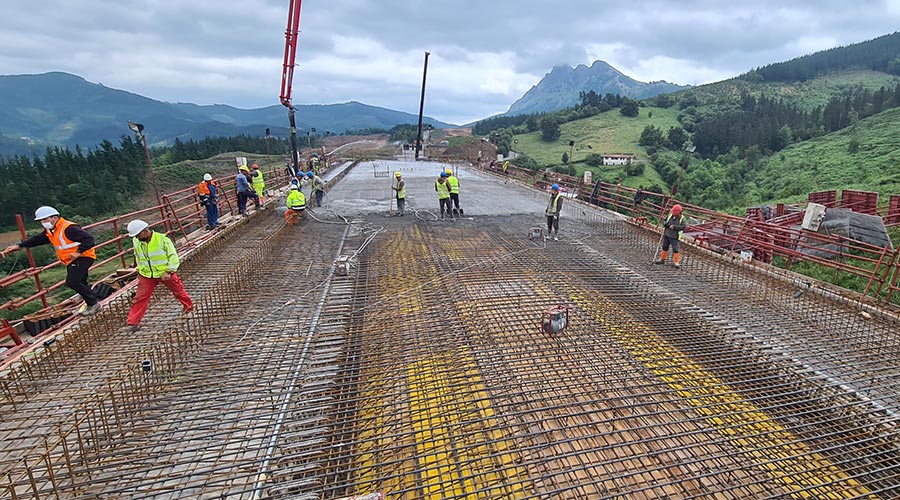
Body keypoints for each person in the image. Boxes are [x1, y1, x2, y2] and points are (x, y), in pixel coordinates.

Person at [2, 206, 101, 316]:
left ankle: (93, 304)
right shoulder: (51, 230)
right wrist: (19, 246)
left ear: (55, 217)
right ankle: (91, 299)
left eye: (45, 219)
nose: (43, 223)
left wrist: (78, 252)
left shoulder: (69, 228)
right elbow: (37, 240)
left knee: (72, 282)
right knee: (81, 281)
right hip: (70, 260)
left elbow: (89, 239)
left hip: (83, 257)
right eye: (41, 220)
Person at [125, 219, 193, 332]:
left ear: (145, 231)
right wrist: (138, 269)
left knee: (178, 291)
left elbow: (173, 257)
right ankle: (133, 322)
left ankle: (188, 308)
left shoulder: (163, 239)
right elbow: (137, 255)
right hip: (146, 274)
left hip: (164, 272)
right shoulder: (136, 241)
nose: (136, 238)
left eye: (137, 235)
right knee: (140, 298)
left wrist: (169, 271)